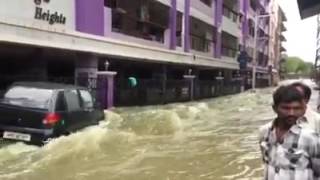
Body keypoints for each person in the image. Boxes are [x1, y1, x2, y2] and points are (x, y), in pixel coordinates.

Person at [259, 85, 320, 180]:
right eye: (286, 108)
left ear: (303, 110)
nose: (291, 113)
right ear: (274, 108)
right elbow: (267, 164)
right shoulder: (264, 131)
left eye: (296, 108)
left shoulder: (310, 138)